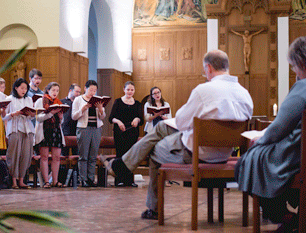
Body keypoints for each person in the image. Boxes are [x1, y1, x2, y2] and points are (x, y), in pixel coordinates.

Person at [101, 50, 253, 219]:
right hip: (224, 153)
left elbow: (181, 122)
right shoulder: (244, 93)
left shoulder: (204, 91)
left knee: (153, 149)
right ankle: (122, 166)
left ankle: (153, 207)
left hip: (196, 153)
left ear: (208, 67)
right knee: (160, 129)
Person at [235, 36, 306, 232]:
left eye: (293, 66)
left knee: (247, 160)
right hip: (301, 151)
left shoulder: (303, 88)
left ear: (300, 62)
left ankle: (281, 214)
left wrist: (260, 139)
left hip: (296, 155)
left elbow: (279, 128)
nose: (294, 72)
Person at [109, 81, 144, 187]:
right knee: (120, 155)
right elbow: (111, 118)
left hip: (132, 133)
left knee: (131, 156)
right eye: (128, 89)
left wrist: (137, 119)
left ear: (134, 91)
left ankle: (130, 180)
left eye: (132, 90)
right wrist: (118, 122)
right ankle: (119, 180)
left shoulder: (137, 103)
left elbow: (141, 120)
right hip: (120, 133)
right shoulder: (118, 101)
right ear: (124, 90)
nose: (130, 91)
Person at [72, 80, 106, 187]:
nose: (93, 92)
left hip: (96, 129)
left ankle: (91, 178)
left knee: (93, 155)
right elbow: (74, 116)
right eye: (91, 89)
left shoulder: (98, 100)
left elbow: (102, 117)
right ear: (85, 88)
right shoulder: (78, 99)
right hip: (83, 128)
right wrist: (82, 109)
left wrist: (101, 109)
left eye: (95, 90)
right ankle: (83, 179)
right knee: (84, 155)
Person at [3, 78, 35, 189]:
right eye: (22, 88)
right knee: (14, 155)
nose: (24, 90)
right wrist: (13, 114)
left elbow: (31, 116)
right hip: (14, 129)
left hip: (27, 129)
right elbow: (4, 117)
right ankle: (13, 181)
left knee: (26, 155)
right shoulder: (9, 99)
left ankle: (21, 180)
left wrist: (31, 114)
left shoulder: (29, 99)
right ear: (16, 88)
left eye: (26, 88)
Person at [34, 82, 66, 188]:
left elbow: (61, 121)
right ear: (48, 90)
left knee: (56, 157)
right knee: (44, 157)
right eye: (53, 90)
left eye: (57, 90)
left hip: (56, 131)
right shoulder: (41, 100)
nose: (55, 92)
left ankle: (55, 181)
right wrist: (51, 113)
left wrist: (61, 117)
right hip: (44, 131)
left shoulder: (58, 102)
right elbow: (38, 118)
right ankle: (46, 181)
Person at [61, 83, 81, 156]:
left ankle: (76, 168)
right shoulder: (62, 102)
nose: (78, 94)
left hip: (76, 131)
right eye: (77, 91)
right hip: (65, 131)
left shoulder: (79, 103)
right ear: (70, 90)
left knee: (76, 154)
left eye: (79, 92)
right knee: (64, 155)